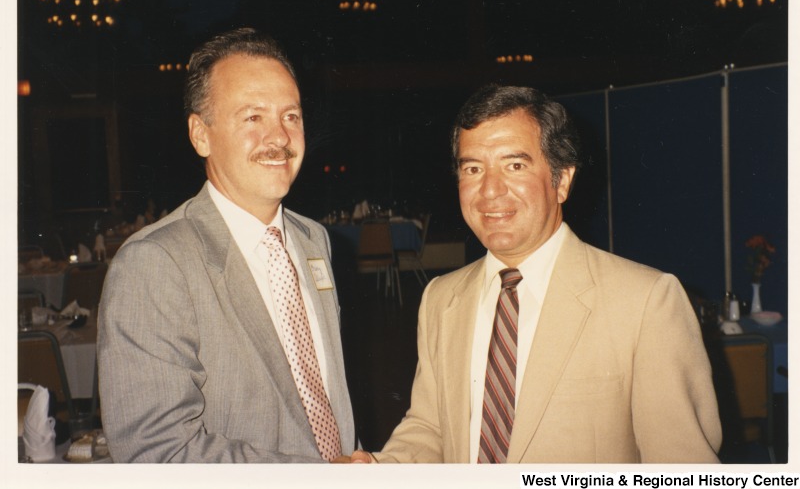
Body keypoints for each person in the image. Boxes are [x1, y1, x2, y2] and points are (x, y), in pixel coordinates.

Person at [350, 84, 721, 463]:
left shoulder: (645, 301)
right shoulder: (441, 298)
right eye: (473, 168)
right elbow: (431, 428)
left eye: (515, 165)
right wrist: (382, 469)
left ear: (561, 181)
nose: (490, 190)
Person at [98, 28, 356, 462]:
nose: (279, 138)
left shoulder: (314, 240)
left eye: (291, 116)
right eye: (253, 117)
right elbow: (157, 453)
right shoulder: (155, 264)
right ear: (201, 135)